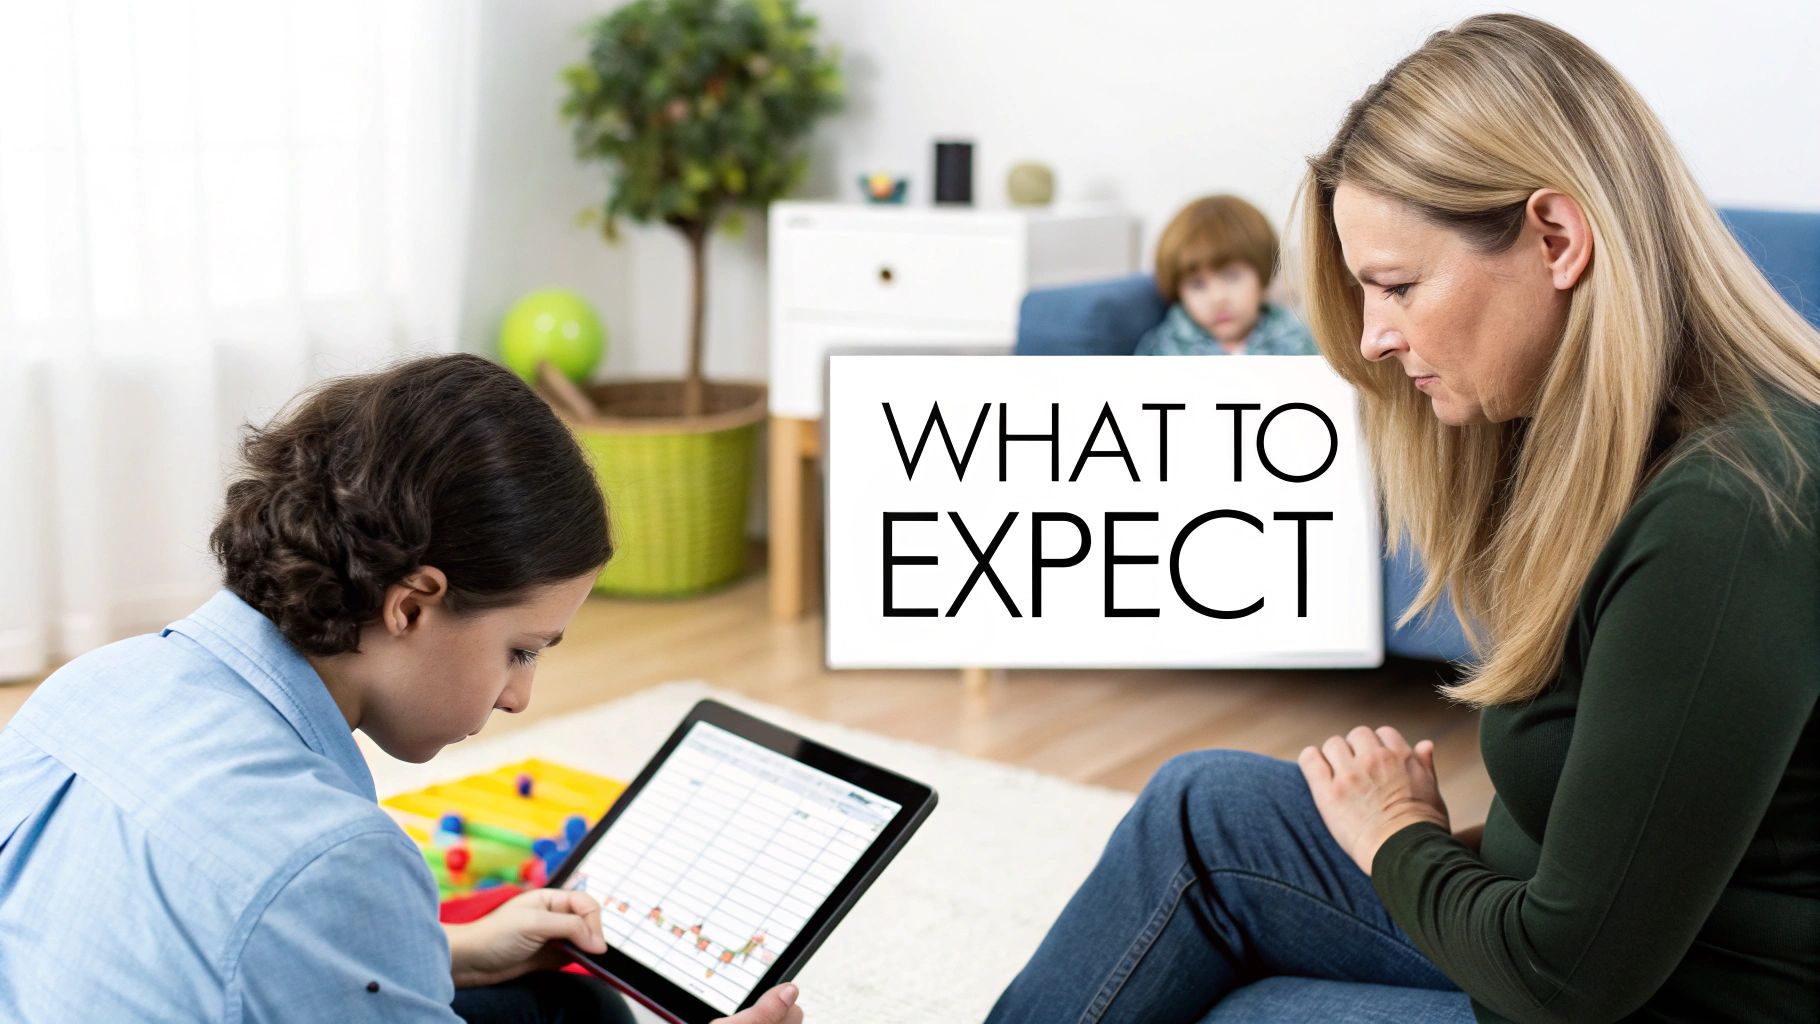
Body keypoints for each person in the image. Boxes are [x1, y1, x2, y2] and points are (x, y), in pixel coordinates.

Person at [990, 13, 1820, 1023]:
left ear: (1555, 238)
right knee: (1204, 805)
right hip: (1579, 949)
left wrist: (1394, 834)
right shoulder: (1608, 447)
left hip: (1643, 1004)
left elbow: (1568, 976)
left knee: (1236, 1012)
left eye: (1395, 287)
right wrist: (1421, 851)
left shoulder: (1730, 510)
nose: (1373, 338)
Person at [0, 354, 805, 1024]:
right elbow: (281, 899)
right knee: (582, 1014)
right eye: (521, 651)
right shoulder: (331, 856)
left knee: (560, 996)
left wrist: (442, 949)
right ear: (412, 603)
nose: (519, 697)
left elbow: (210, 945)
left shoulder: (88, 687)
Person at [1134, 193, 1316, 357]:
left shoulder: (1297, 343)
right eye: (1197, 285)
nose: (1218, 298)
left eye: (1232, 277)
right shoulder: (1163, 349)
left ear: (1263, 273)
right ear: (1178, 292)